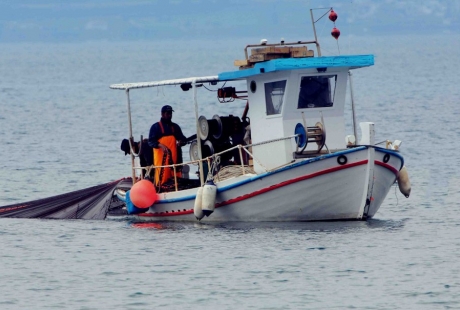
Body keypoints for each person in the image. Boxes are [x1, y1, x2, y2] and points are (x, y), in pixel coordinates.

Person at [148, 105, 187, 186]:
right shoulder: (155, 127)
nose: (169, 115)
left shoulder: (175, 127)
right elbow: (151, 141)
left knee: (176, 182)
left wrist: (181, 142)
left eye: (170, 113)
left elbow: (183, 139)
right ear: (162, 114)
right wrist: (160, 145)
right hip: (161, 163)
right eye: (167, 113)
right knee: (161, 182)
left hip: (174, 161)